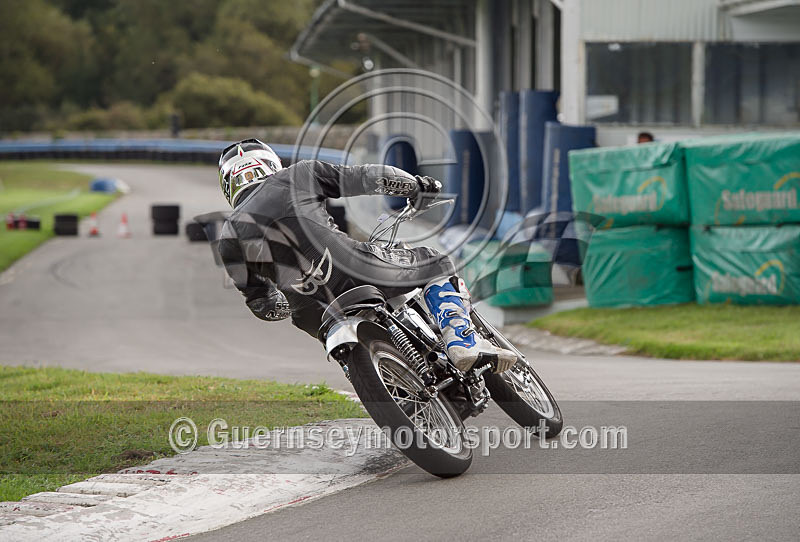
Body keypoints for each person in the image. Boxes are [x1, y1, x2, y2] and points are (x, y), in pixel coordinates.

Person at [215, 138, 516, 373]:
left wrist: (285, 301)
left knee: (343, 352)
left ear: (229, 185)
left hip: (310, 310)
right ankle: (461, 339)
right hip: (353, 267)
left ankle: (392, 386)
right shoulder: (298, 175)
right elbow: (368, 177)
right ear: (271, 163)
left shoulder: (228, 236)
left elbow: (262, 304)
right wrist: (415, 186)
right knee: (435, 261)